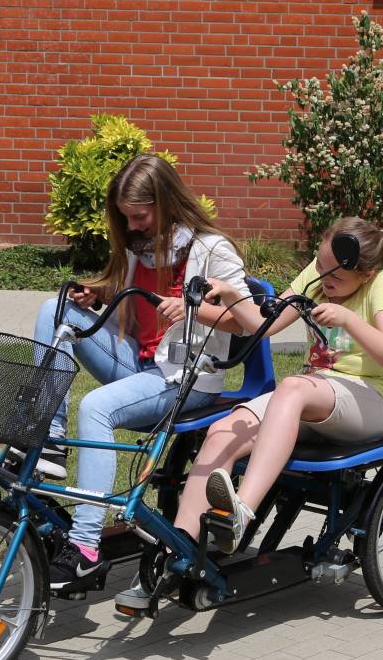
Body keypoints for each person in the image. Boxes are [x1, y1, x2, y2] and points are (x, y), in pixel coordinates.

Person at [114, 217, 383, 608]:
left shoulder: (382, 282)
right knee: (222, 430)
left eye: (334, 274)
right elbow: (262, 328)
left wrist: (350, 320)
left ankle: (242, 511)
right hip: (314, 396)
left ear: (365, 272)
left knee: (292, 386)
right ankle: (176, 556)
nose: (323, 278)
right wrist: (232, 294)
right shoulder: (317, 275)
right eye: (319, 267)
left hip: (369, 398)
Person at [30, 153, 261, 593]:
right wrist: (98, 293)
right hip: (139, 361)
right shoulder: (141, 247)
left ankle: (85, 549)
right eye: (127, 218)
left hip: (185, 378)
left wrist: (198, 310)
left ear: (166, 201)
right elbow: (131, 297)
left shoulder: (212, 249)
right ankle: (51, 440)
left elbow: (248, 320)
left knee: (96, 407)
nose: (133, 226)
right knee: (54, 309)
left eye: (139, 216)